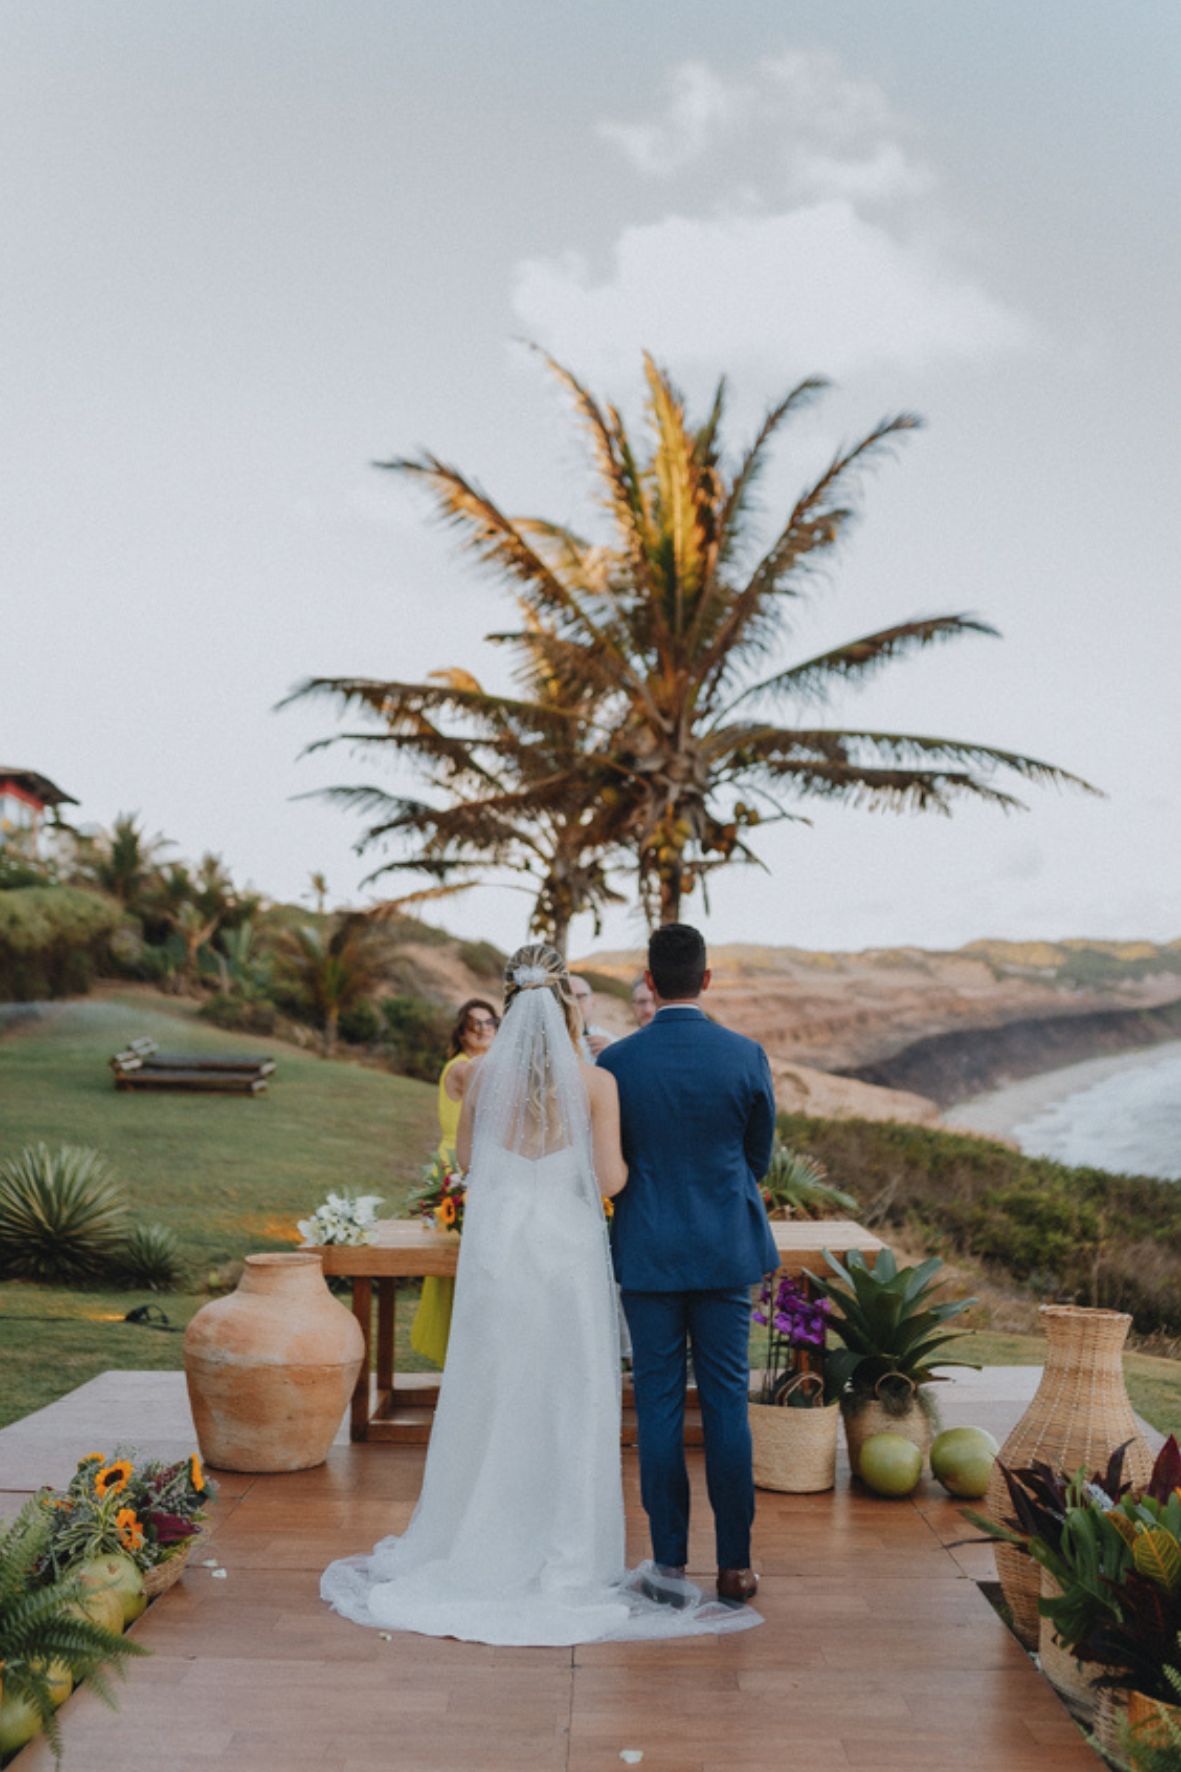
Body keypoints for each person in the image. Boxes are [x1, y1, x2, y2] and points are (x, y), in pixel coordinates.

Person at [321, 944, 759, 1646]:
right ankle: (582, 1552)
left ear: (508, 999)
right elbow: (611, 1180)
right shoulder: (593, 1082)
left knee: (495, 1390)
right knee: (569, 1393)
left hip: (502, 1254)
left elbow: (465, 1163)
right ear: (564, 1003)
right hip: (565, 1255)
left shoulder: (478, 1072)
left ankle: (483, 1536)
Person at [598, 923, 778, 1606]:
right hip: (726, 1249)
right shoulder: (743, 1054)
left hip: (647, 1253)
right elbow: (756, 1155)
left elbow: (612, 1162)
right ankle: (735, 1566)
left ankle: (668, 1564)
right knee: (727, 1405)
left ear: (649, 980)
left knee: (659, 1407)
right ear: (706, 980)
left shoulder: (618, 1062)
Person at [409, 997, 499, 1367]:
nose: (483, 1029)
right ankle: (455, 1346)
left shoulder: (472, 1065)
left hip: (465, 1158)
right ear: (461, 1032)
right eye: (474, 1024)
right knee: (454, 1262)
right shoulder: (465, 1068)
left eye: (489, 1021)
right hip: (456, 1165)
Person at [569, 971, 613, 1058]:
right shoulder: (547, 1044)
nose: (573, 1003)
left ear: (593, 1000)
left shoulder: (612, 1043)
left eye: (580, 996)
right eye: (568, 997)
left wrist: (613, 1054)